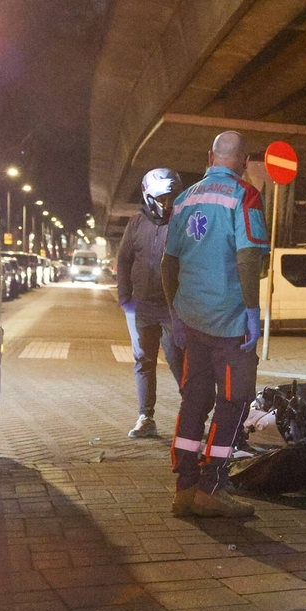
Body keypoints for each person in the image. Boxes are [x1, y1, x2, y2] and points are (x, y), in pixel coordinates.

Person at [162, 130, 270, 518]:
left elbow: (168, 263)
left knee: (194, 401)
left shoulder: (183, 198)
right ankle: (211, 488)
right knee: (234, 403)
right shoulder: (246, 195)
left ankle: (184, 488)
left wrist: (176, 313)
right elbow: (247, 259)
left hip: (192, 321)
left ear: (209, 156)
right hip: (230, 322)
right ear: (243, 162)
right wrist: (253, 313)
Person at [117, 168, 185, 439]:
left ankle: (193, 416)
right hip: (141, 307)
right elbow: (123, 260)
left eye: (172, 197)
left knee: (179, 361)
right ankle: (146, 417)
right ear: (148, 196)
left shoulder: (182, 223)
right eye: (162, 198)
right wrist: (125, 298)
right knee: (144, 361)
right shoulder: (135, 223)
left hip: (172, 309)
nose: (168, 203)